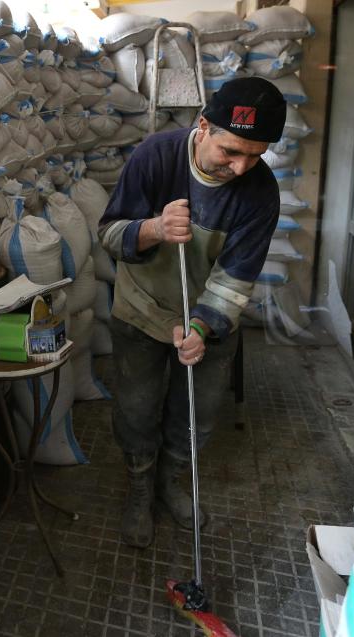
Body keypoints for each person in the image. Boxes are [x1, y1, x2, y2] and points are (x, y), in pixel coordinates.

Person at [97, 77, 286, 547]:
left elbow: (235, 277)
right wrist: (155, 228)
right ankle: (140, 486)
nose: (242, 167)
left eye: (255, 155)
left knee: (195, 416)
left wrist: (201, 326)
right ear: (203, 126)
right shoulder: (155, 156)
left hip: (206, 321)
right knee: (137, 408)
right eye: (231, 151)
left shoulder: (260, 192)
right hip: (141, 309)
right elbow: (109, 235)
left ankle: (171, 483)